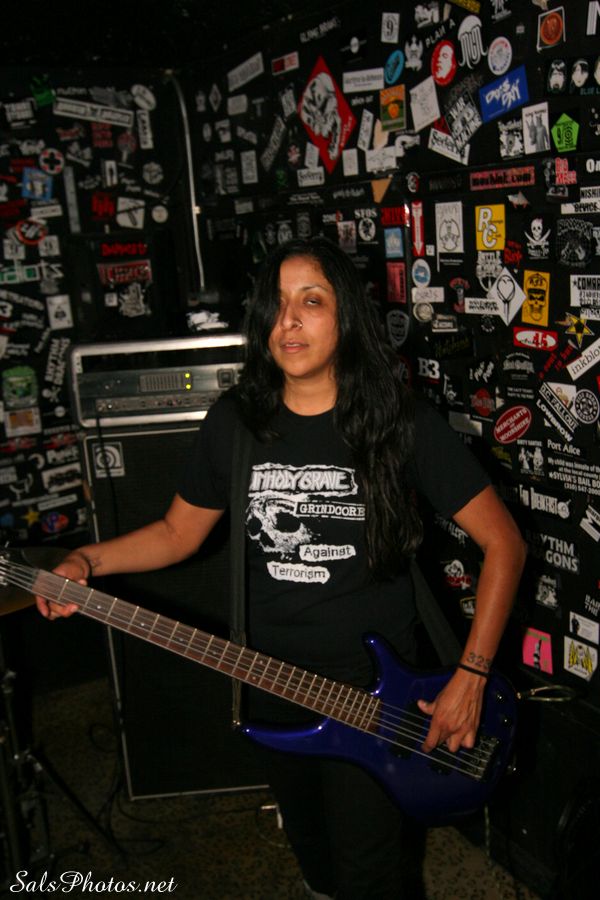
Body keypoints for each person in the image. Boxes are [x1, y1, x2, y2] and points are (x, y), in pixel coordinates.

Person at [37, 237, 526, 899]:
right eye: (277, 304)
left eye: (311, 301)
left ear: (346, 316)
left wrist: (472, 675)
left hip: (373, 697)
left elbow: (505, 545)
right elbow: (178, 533)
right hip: (270, 684)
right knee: (317, 866)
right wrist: (84, 560)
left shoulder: (398, 422)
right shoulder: (235, 424)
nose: (288, 320)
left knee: (370, 879)